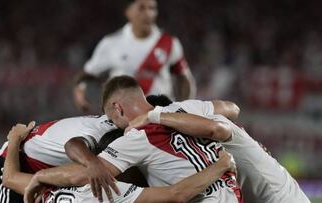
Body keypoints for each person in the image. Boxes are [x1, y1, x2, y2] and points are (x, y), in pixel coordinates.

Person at [24, 76, 243, 203]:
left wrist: (41, 176)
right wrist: (223, 164)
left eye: (112, 119)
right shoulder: (180, 110)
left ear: (117, 108)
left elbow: (85, 175)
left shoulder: (137, 137)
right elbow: (233, 109)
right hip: (233, 195)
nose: (115, 126)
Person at [5, 121, 237, 203]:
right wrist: (221, 166)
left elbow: (9, 178)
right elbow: (177, 194)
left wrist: (14, 139)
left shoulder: (61, 181)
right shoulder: (112, 191)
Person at [127, 102, 311, 202]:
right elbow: (233, 108)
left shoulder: (214, 126)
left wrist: (154, 116)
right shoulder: (205, 138)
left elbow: (216, 128)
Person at [73, 0, 196, 112]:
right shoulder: (111, 43)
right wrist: (79, 94)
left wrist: (182, 107)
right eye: (141, 8)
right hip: (122, 117)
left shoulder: (169, 43)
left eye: (152, 8)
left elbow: (184, 78)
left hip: (160, 115)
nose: (148, 13)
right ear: (128, 12)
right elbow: (87, 74)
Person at [0, 115, 118, 203]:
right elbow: (9, 178)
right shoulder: (99, 136)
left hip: (49, 172)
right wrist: (14, 140)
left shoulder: (116, 128)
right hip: (14, 162)